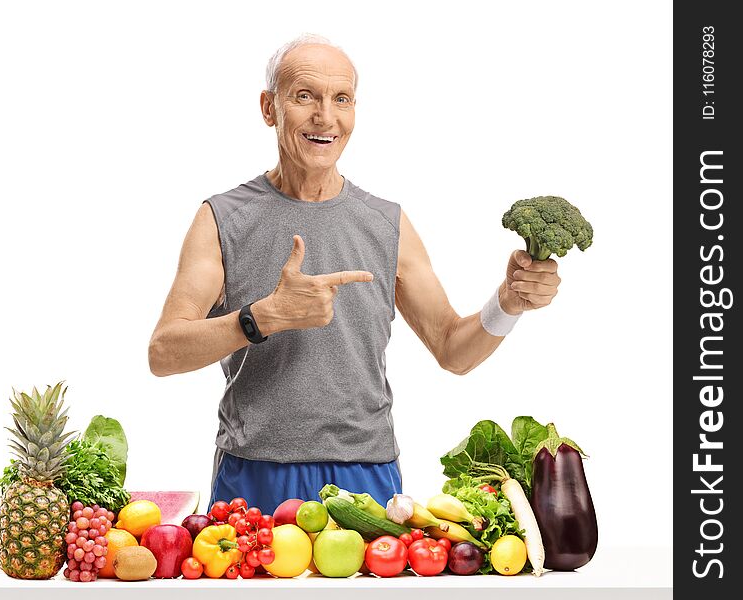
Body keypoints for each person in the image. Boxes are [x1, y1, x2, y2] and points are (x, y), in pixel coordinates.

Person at [148, 34, 560, 514]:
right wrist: (262, 317)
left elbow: (453, 350)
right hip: (253, 471)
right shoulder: (220, 218)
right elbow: (163, 352)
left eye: (341, 99)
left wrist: (508, 303)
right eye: (305, 96)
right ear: (268, 108)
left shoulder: (387, 223)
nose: (326, 117)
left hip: (367, 475)